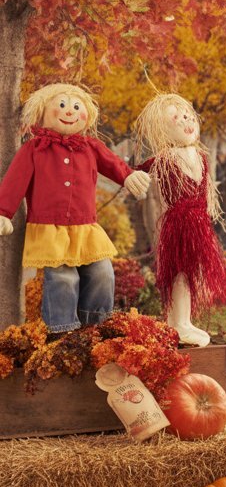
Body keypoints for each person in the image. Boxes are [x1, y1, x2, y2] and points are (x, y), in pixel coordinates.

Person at [0, 84, 150, 335]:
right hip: (50, 228)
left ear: (86, 114)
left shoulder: (90, 146)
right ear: (43, 112)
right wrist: (4, 211)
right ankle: (62, 331)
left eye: (76, 106)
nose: (69, 111)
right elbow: (16, 179)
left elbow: (113, 164)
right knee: (63, 278)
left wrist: (128, 176)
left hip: (85, 227)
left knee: (102, 272)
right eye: (61, 105)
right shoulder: (35, 149)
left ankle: (95, 326)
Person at [135, 93, 226, 347]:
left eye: (189, 117)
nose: (186, 122)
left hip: (199, 223)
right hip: (179, 224)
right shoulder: (165, 158)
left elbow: (207, 191)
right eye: (177, 119)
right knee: (179, 272)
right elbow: (136, 172)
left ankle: (182, 320)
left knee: (191, 273)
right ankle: (177, 323)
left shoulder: (201, 157)